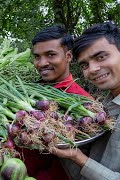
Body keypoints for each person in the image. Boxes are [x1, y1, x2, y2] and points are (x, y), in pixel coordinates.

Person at [18, 25, 92, 180]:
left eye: (51, 55)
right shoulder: (29, 90)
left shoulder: (83, 104)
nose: (42, 63)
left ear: (69, 56)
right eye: (37, 56)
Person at [52, 22, 120, 180]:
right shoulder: (105, 106)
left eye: (101, 57)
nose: (92, 69)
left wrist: (78, 158)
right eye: (85, 65)